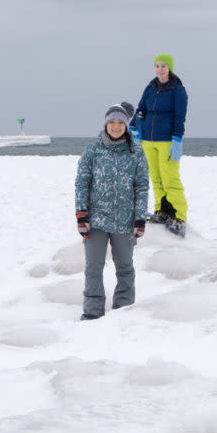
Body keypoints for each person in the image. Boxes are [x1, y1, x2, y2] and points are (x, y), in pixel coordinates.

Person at [74, 102, 150, 320]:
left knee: (125, 268)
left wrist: (139, 218)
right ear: (106, 124)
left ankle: (124, 311)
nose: (116, 127)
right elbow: (82, 183)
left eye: (120, 123)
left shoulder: (136, 151)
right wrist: (81, 214)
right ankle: (92, 312)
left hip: (124, 221)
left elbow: (142, 186)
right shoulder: (93, 150)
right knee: (93, 268)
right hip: (96, 220)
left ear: (126, 125)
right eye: (112, 122)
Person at [129, 52, 189, 236]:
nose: (160, 69)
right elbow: (141, 110)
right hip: (148, 140)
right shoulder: (150, 88)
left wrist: (177, 139)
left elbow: (180, 117)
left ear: (169, 68)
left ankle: (179, 215)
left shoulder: (178, 90)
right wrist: (134, 128)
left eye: (163, 66)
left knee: (169, 177)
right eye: (157, 66)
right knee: (155, 177)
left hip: (167, 141)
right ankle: (161, 211)